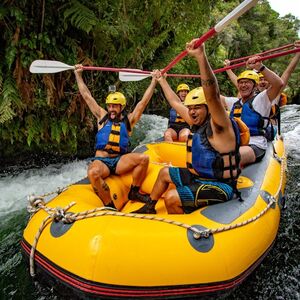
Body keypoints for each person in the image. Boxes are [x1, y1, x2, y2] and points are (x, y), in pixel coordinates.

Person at [133, 41, 241, 214]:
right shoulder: (195, 121)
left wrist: (200, 56)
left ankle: (182, 224)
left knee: (171, 197)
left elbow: (212, 95)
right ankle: (149, 207)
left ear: (208, 108)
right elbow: (175, 102)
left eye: (197, 107)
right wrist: (161, 81)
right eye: (190, 108)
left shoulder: (220, 125)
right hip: (198, 177)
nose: (191, 112)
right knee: (164, 174)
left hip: (220, 185)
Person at [74, 65, 157, 209]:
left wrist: (154, 81)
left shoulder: (129, 120)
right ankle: (109, 205)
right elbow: (87, 96)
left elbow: (143, 103)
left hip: (119, 161)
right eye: (110, 106)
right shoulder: (102, 116)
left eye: (115, 106)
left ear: (121, 107)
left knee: (143, 159)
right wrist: (78, 75)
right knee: (93, 172)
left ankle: (134, 191)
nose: (111, 109)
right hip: (102, 161)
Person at [225, 57, 283, 167]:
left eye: (247, 82)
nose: (243, 85)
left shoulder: (261, 99)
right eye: (241, 83)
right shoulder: (233, 103)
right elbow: (212, 96)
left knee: (228, 159)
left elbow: (278, 84)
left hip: (255, 144)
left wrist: (259, 67)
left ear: (255, 86)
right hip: (236, 143)